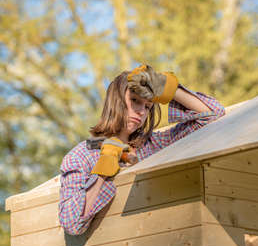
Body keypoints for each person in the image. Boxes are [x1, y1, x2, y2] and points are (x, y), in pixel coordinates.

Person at [59, 64, 225, 235]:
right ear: (115, 100)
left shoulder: (154, 144)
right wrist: (102, 172)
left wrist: (168, 88)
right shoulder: (80, 156)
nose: (141, 112)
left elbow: (214, 114)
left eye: (147, 106)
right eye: (135, 100)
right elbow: (72, 224)